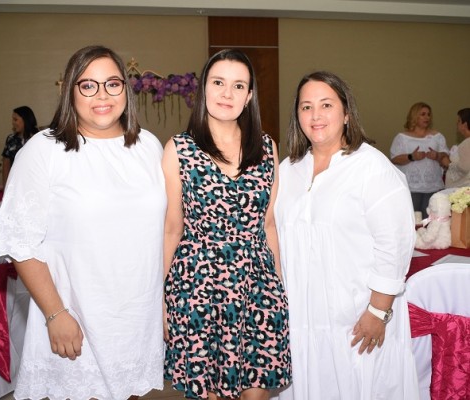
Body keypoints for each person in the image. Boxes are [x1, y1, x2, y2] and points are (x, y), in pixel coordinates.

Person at [0, 45, 166, 400]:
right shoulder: (44, 150)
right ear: (71, 91)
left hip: (134, 317)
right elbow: (19, 241)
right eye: (88, 85)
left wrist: (162, 303)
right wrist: (55, 315)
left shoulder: (148, 146)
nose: (102, 95)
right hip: (76, 316)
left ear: (125, 91)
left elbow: (161, 233)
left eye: (112, 84)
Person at [275, 71, 419, 400]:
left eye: (326, 105)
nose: (315, 115)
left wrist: (378, 311)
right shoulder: (288, 169)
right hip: (302, 317)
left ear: (346, 113)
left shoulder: (372, 167)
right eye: (306, 107)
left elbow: (394, 244)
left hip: (357, 318)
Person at [163, 48, 291, 400]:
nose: (227, 94)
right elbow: (173, 228)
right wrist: (162, 299)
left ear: (249, 96)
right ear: (204, 88)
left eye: (238, 86)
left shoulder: (267, 148)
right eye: (218, 82)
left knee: (257, 392)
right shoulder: (179, 149)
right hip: (197, 286)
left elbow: (268, 225)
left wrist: (277, 287)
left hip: (257, 285)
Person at [390, 102, 448, 218]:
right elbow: (394, 159)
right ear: (414, 116)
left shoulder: (437, 136)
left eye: (428, 114)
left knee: (432, 223)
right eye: (423, 114)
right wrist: (412, 157)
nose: (427, 117)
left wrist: (437, 156)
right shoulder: (402, 137)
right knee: (412, 222)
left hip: (434, 187)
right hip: (412, 188)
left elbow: (446, 158)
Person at [1, 105, 39, 188]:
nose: (13, 123)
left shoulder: (38, 138)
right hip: (16, 184)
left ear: (25, 120)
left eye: (15, 119)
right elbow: (6, 165)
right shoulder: (11, 139)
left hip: (35, 182)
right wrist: (6, 188)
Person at [441, 108, 470, 188]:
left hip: (462, 190)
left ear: (465, 125)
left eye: (459, 121)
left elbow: (465, 168)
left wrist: (448, 163)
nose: (457, 124)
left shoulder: (467, 143)